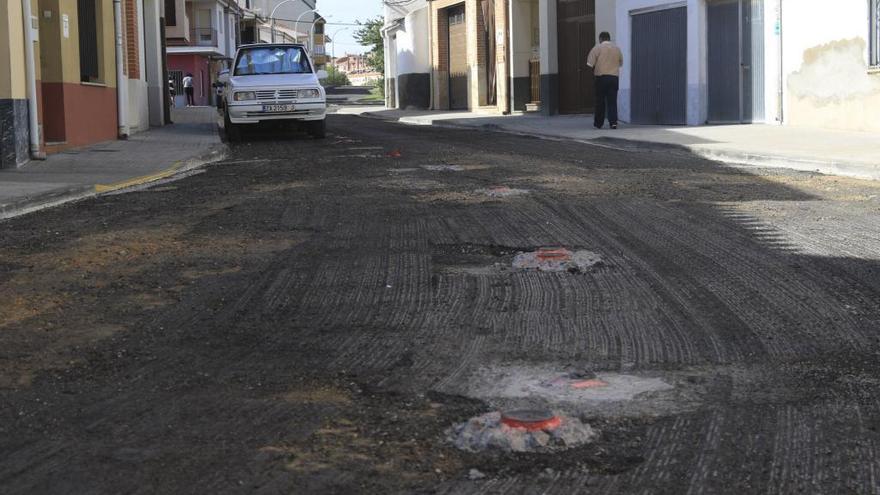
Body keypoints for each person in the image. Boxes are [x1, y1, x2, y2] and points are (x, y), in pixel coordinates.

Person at [587, 32, 623, 129]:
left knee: (600, 101)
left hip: (601, 78)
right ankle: (613, 123)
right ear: (609, 38)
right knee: (612, 101)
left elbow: (590, 64)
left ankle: (599, 123)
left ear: (600, 39)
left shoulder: (597, 48)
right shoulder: (617, 49)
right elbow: (620, 63)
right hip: (614, 78)